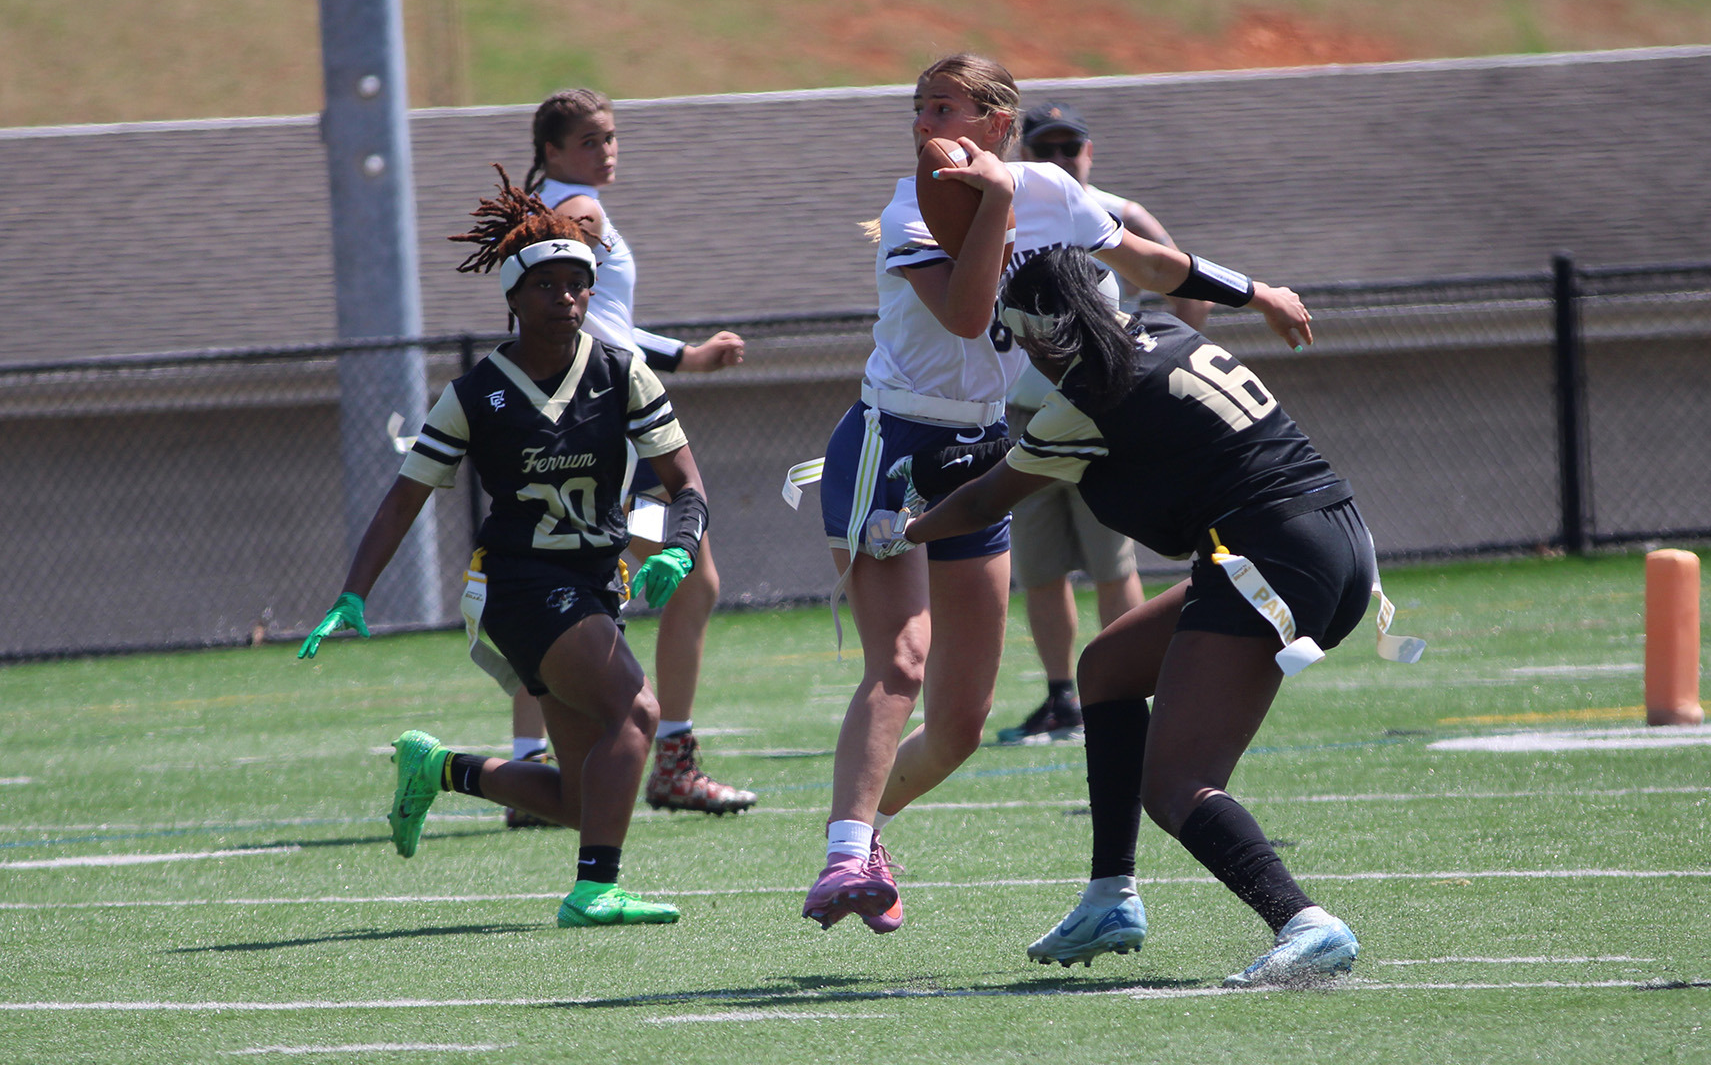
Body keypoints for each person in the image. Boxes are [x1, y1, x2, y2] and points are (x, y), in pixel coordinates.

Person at [801, 53, 1313, 937]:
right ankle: (843, 852)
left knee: (963, 722)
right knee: (905, 659)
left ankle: (873, 832)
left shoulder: (1046, 187)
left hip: (978, 445)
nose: (926, 125)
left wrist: (1254, 289)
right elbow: (967, 317)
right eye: (918, 109)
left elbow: (1148, 262)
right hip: (893, 444)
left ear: (998, 122)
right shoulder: (910, 207)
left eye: (945, 108)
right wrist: (996, 201)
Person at [872, 244, 1395, 987]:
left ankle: (1303, 921)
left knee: (1177, 784)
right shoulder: (1167, 338)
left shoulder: (1091, 395)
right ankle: (1109, 894)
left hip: (1270, 555)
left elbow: (989, 500)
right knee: (1108, 670)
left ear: (1045, 336)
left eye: (1022, 343)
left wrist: (898, 530)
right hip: (1327, 538)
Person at [298, 174, 707, 928]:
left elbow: (687, 484)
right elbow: (403, 498)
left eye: (578, 283)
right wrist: (353, 591)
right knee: (637, 709)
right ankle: (594, 892)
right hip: (518, 583)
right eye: (546, 284)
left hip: (592, 586)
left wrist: (680, 548)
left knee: (582, 798)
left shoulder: (621, 373)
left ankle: (440, 767)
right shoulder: (475, 394)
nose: (566, 298)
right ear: (512, 299)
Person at [508, 87, 754, 819]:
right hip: (603, 414)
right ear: (551, 149)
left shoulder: (551, 205)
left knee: (554, 577)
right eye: (590, 140)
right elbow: (596, 328)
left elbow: (595, 321)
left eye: (611, 137)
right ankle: (670, 762)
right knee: (691, 576)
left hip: (574, 411)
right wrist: (689, 357)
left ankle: (532, 767)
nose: (606, 151)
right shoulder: (576, 213)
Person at [995, 100, 1211, 745]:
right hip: (1025, 412)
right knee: (1038, 569)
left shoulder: (1116, 214)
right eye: (1046, 149)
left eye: (1071, 148)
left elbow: (1186, 289)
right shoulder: (1007, 213)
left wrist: (1158, 363)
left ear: (1090, 153)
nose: (1060, 160)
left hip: (1101, 414)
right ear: (1024, 155)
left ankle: (1131, 689)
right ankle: (1062, 697)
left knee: (1112, 561)